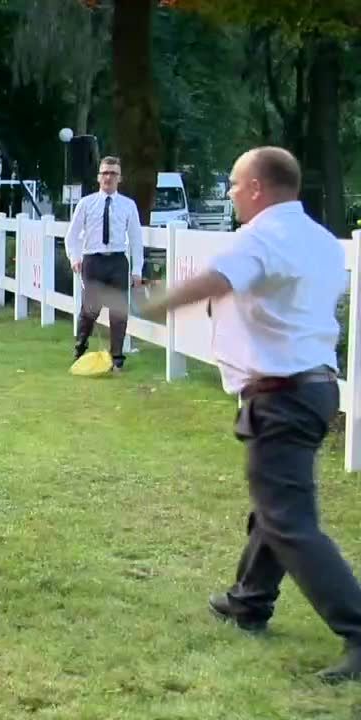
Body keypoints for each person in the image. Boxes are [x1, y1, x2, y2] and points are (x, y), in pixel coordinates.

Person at [139, 146, 361, 683]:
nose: (232, 194)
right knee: (275, 507)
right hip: (312, 389)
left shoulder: (261, 236)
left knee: (287, 519)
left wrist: (152, 303)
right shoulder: (318, 239)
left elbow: (218, 280)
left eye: (236, 185)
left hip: (281, 394)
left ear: (259, 187)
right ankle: (249, 600)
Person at [63, 156, 144, 372]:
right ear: (99, 177)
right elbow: (72, 236)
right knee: (90, 310)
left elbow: (136, 239)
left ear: (120, 178)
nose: (108, 177)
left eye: (113, 173)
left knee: (118, 311)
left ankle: (116, 357)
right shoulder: (86, 203)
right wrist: (75, 258)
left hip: (117, 261)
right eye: (105, 173)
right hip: (93, 261)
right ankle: (80, 347)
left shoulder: (128, 206)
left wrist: (137, 270)